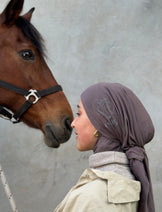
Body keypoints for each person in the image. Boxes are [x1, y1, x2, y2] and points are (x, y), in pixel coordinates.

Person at [54, 82, 155, 212]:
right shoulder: (130, 180)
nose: (73, 123)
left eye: (79, 114)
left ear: (99, 124)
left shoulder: (93, 196)